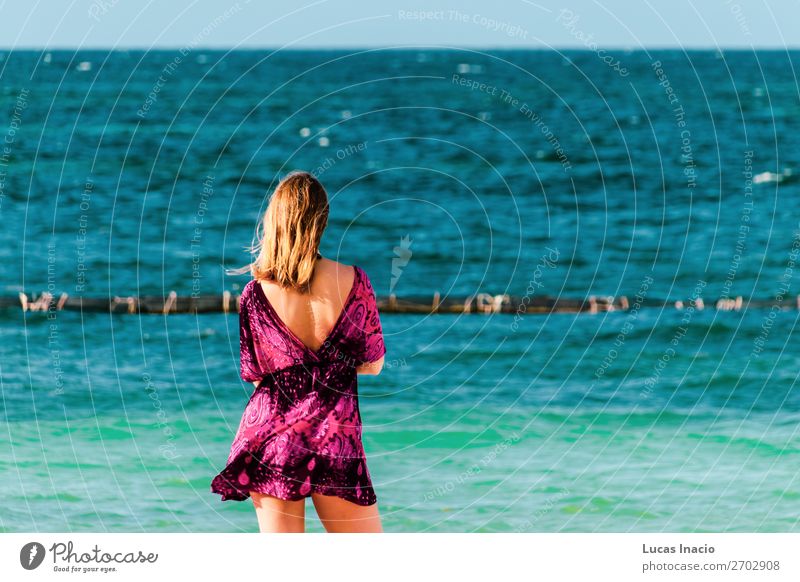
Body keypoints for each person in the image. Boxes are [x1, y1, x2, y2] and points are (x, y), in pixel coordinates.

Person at [211, 171, 386, 533]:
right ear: (322, 220)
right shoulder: (354, 280)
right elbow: (373, 363)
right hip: (335, 438)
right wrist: (337, 364)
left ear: (274, 222)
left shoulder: (255, 293)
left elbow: (256, 373)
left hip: (273, 437)